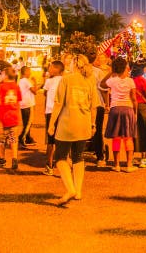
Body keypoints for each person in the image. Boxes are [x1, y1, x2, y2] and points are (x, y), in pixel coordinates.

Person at [48, 54, 99, 205]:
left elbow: (58, 104)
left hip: (67, 124)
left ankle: (70, 189)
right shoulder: (90, 81)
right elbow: (94, 106)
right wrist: (93, 124)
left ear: (74, 65)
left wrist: (52, 124)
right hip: (83, 124)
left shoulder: (67, 79)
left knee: (61, 158)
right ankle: (78, 191)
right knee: (78, 157)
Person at [100, 57, 138, 172]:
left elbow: (102, 84)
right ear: (125, 67)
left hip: (115, 108)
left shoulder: (112, 80)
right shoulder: (130, 81)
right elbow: (134, 98)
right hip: (128, 109)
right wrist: (135, 113)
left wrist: (111, 72)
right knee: (128, 138)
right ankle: (129, 165)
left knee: (116, 138)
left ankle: (116, 165)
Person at [0, 66, 22, 174]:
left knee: (1, 139)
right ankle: (14, 158)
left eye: (1, 74)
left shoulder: (1, 87)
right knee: (13, 139)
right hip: (14, 116)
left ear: (5, 75)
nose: (0, 76)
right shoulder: (16, 86)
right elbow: (18, 101)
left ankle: (2, 158)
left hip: (3, 116)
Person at [42, 60, 64, 176]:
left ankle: (49, 165)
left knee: (50, 140)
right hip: (63, 112)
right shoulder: (65, 80)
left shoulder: (49, 81)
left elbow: (44, 93)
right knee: (63, 139)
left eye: (50, 67)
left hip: (51, 111)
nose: (49, 69)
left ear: (56, 69)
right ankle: (63, 163)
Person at [90, 53, 110, 167]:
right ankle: (99, 157)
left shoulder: (98, 72)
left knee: (93, 130)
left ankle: (99, 155)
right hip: (95, 104)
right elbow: (104, 89)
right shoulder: (98, 72)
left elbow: (104, 89)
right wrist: (106, 104)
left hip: (93, 103)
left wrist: (106, 104)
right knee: (97, 130)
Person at [18, 66, 38, 148]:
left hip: (23, 104)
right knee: (28, 123)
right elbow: (34, 91)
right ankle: (22, 138)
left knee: (27, 122)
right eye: (29, 71)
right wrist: (35, 82)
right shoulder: (26, 81)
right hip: (28, 104)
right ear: (25, 72)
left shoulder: (20, 81)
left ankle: (28, 138)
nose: (30, 73)